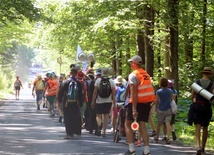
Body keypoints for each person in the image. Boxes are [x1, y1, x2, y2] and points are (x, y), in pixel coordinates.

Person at [125, 55, 155, 155]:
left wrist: (133, 109)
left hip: (137, 103)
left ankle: (131, 149)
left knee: (127, 124)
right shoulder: (145, 74)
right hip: (146, 103)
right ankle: (147, 151)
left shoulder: (134, 75)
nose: (130, 64)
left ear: (134, 63)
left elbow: (134, 93)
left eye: (131, 63)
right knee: (142, 126)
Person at [190, 67, 214, 155]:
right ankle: (203, 148)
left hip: (198, 106)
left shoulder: (196, 83)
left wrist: (194, 101)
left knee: (197, 127)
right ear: (210, 74)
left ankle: (198, 146)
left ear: (202, 73)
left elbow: (192, 96)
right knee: (205, 127)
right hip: (207, 107)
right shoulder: (212, 84)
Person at [58, 68, 83, 139]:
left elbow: (61, 92)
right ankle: (76, 131)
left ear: (70, 73)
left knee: (67, 118)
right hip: (76, 102)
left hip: (67, 102)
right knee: (75, 117)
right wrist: (80, 103)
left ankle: (69, 133)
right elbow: (80, 94)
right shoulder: (78, 82)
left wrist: (59, 100)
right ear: (76, 73)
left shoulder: (65, 82)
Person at [91, 67, 116, 137]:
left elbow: (95, 92)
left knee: (98, 115)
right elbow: (114, 93)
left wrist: (93, 101)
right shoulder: (111, 81)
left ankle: (99, 124)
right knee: (106, 116)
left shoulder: (98, 80)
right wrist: (114, 103)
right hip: (108, 101)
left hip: (99, 101)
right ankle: (104, 132)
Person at [154, 77, 173, 145]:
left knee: (159, 124)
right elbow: (172, 99)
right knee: (168, 123)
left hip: (160, 109)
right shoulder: (170, 91)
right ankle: (168, 138)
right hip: (168, 109)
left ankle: (157, 137)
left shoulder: (158, 91)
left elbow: (156, 101)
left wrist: (156, 108)